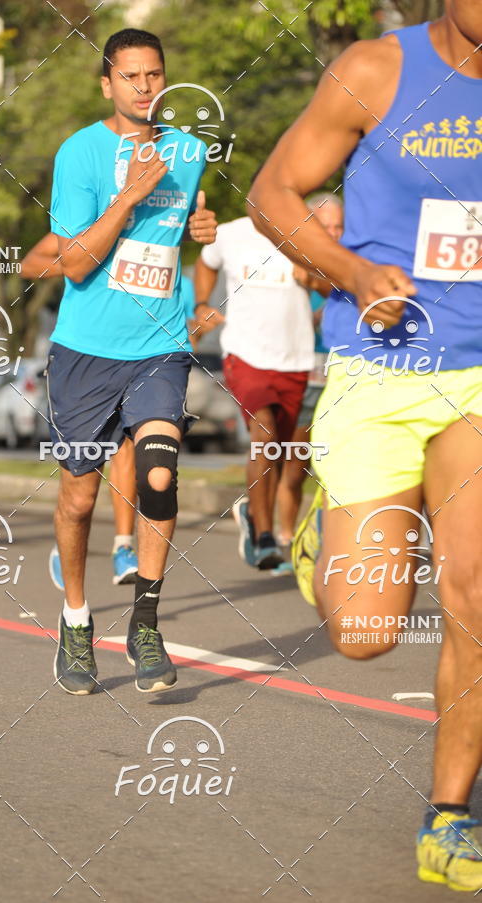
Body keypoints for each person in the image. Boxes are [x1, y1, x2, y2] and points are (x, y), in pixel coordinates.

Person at [250, 4, 482, 891]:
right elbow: (273, 193)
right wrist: (348, 271)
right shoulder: (377, 70)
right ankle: (327, 527)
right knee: (367, 631)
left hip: (477, 374)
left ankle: (450, 815)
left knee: (472, 593)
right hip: (381, 370)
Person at [47, 28, 217, 695]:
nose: (144, 87)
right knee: (80, 494)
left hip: (160, 345)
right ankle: (77, 620)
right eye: (131, 76)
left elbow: (182, 234)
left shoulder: (190, 151)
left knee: (156, 472)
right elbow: (75, 262)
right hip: (86, 349)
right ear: (107, 83)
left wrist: (203, 234)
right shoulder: (81, 154)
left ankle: (145, 620)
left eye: (155, 75)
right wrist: (127, 196)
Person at [194, 175, 320, 571]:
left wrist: (313, 276)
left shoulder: (304, 235)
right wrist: (201, 304)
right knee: (263, 433)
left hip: (296, 357)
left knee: (278, 453)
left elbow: (334, 284)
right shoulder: (230, 234)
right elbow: (205, 263)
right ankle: (265, 537)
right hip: (245, 353)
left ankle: (252, 513)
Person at [21, 234, 140, 586]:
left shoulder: (154, 217)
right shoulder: (86, 220)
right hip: (82, 355)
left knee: (126, 447)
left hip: (137, 351)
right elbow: (28, 265)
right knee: (81, 476)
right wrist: (82, 265)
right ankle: (67, 541)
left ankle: (123, 547)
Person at [277, 193, 343, 549]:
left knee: (338, 463)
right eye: (325, 225)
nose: (333, 232)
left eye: (338, 226)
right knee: (295, 464)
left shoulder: (354, 264)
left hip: (344, 376)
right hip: (305, 374)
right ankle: (285, 536)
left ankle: (331, 537)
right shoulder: (294, 262)